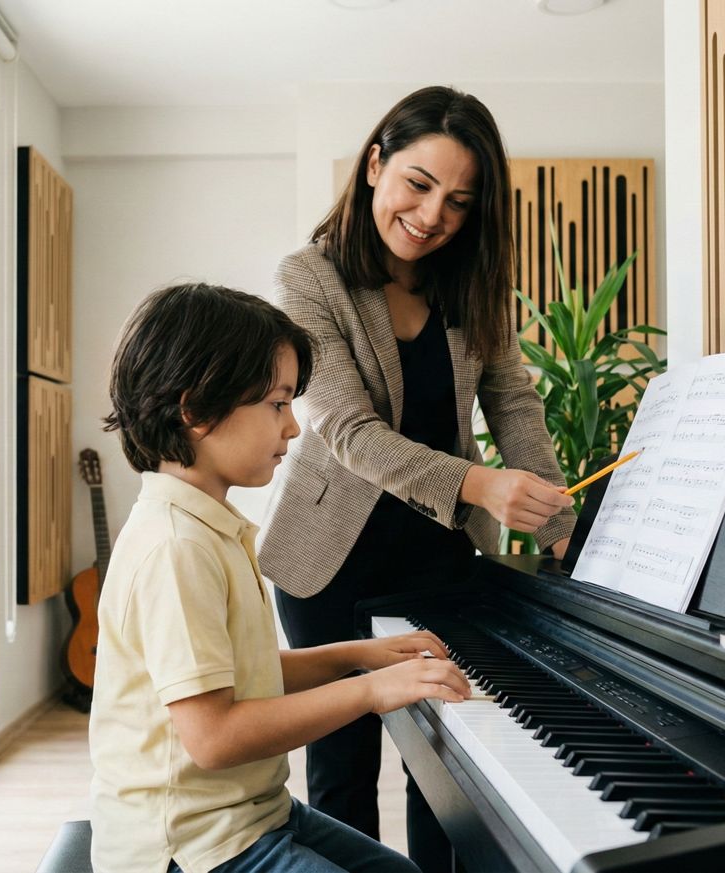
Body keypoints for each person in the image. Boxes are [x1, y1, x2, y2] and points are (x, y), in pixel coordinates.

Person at [259, 86, 577, 870]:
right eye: (418, 184)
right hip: (326, 558)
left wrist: (561, 520)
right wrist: (482, 485)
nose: (433, 215)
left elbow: (513, 403)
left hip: (437, 554)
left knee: (444, 762)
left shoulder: (472, 283)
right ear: (375, 164)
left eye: (460, 201)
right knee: (343, 768)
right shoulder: (308, 277)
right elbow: (346, 429)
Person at [90, 282, 474, 873]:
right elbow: (215, 736)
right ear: (196, 411)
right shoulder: (176, 547)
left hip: (253, 813)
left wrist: (361, 655)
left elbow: (248, 676)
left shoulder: (206, 525)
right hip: (191, 848)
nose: (294, 428)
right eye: (277, 403)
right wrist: (370, 692)